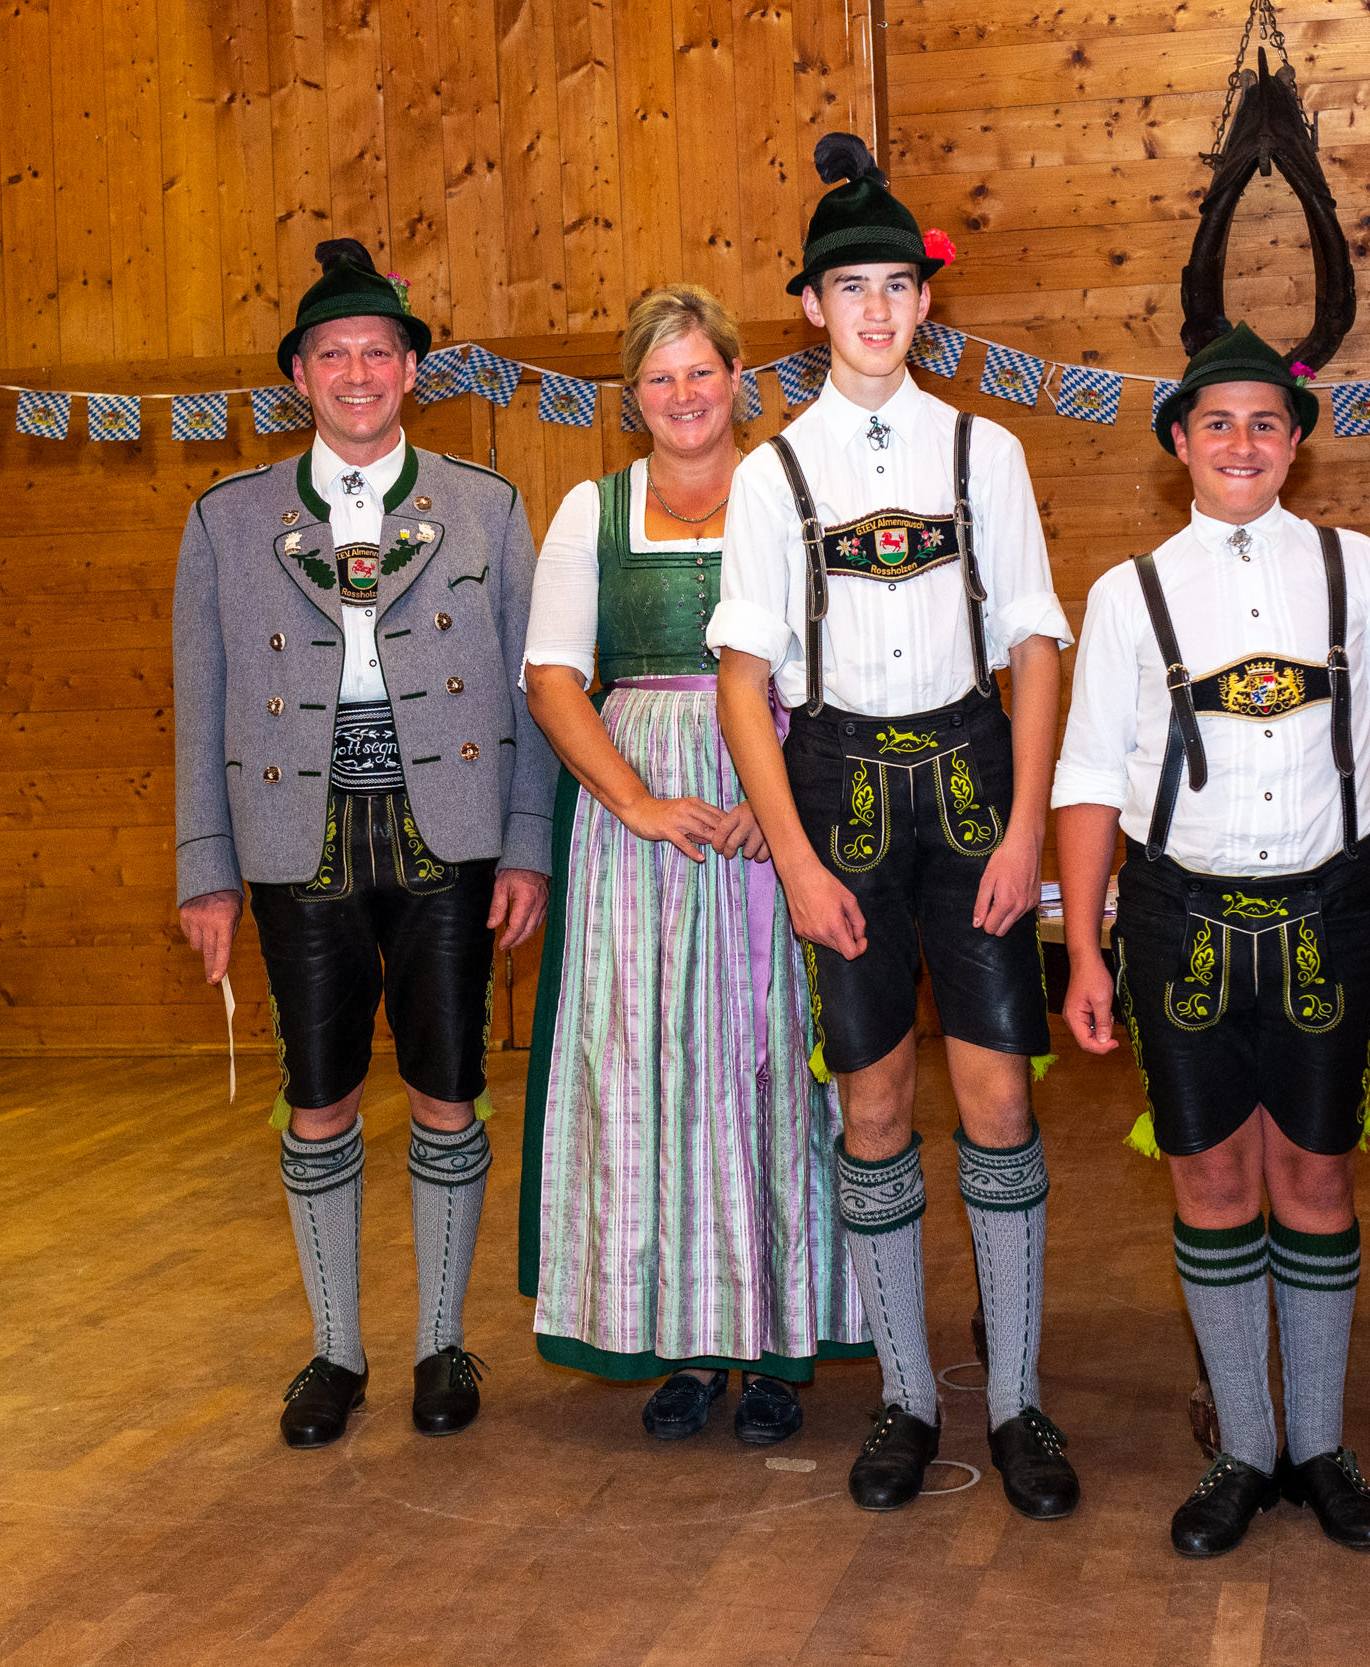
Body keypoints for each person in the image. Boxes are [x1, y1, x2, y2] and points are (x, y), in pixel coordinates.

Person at [708, 134, 1079, 1520]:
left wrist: (1028, 827)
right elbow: (743, 681)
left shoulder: (987, 449)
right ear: (811, 305)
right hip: (839, 797)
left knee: (999, 1096)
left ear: (927, 300)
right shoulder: (771, 473)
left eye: (896, 286)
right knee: (871, 1103)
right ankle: (909, 1396)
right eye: (848, 287)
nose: (874, 309)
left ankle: (1019, 1395)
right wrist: (798, 860)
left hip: (975, 784)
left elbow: (1034, 643)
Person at [1053, 324, 1370, 1557]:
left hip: (1330, 910)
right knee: (1212, 1180)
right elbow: (1087, 776)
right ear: (1178, 440)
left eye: (1265, 422)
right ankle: (1241, 1444)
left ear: (1295, 443)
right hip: (1176, 917)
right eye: (1217, 422)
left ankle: (1318, 1445)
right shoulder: (1126, 592)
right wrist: (1085, 948)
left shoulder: (1354, 569)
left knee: (1316, 1177)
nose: (1241, 442)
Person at [173, 238, 556, 1449]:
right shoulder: (225, 518)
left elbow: (535, 686)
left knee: (447, 1085)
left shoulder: (486, 504)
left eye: (377, 352)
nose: (356, 373)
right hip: (295, 832)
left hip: (453, 828)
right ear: (299, 374)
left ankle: (441, 1340)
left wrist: (529, 844)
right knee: (319, 1093)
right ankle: (336, 1349)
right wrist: (204, 865)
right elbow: (198, 699)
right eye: (332, 354)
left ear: (410, 371)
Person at [520, 284, 870, 1444]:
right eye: (659, 377)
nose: (683, 395)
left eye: (700, 371)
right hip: (640, 827)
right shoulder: (593, 509)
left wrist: (780, 807)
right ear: (633, 397)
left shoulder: (789, 495)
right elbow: (553, 675)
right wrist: (638, 801)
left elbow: (837, 656)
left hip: (774, 792)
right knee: (648, 1064)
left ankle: (774, 1340)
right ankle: (683, 1338)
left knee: (770, 1062)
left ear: (737, 380)